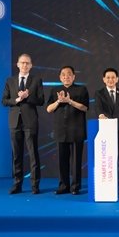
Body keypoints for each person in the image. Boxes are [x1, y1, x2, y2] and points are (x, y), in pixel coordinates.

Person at [1, 53, 44, 195]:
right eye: (22, 62)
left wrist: (28, 96)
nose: (25, 65)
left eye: (27, 63)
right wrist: (17, 100)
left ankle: (35, 185)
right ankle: (17, 184)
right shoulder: (10, 80)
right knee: (16, 154)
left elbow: (41, 100)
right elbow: (4, 101)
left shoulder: (36, 80)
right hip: (15, 122)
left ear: (31, 65)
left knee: (33, 153)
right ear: (17, 64)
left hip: (30, 121)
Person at [45, 66, 89, 195]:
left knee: (76, 161)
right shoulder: (55, 90)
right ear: (60, 77)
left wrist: (70, 101)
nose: (66, 76)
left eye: (69, 74)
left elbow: (85, 108)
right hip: (60, 130)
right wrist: (58, 101)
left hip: (77, 130)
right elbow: (49, 109)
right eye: (63, 74)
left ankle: (75, 187)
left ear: (74, 76)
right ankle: (63, 186)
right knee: (62, 161)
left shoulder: (81, 89)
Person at [94, 67, 119, 180]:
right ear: (104, 79)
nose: (110, 80)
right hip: (105, 130)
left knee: (118, 157)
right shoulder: (99, 93)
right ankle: (106, 180)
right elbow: (98, 108)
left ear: (117, 79)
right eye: (108, 77)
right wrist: (101, 115)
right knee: (106, 157)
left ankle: (116, 182)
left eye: (113, 77)